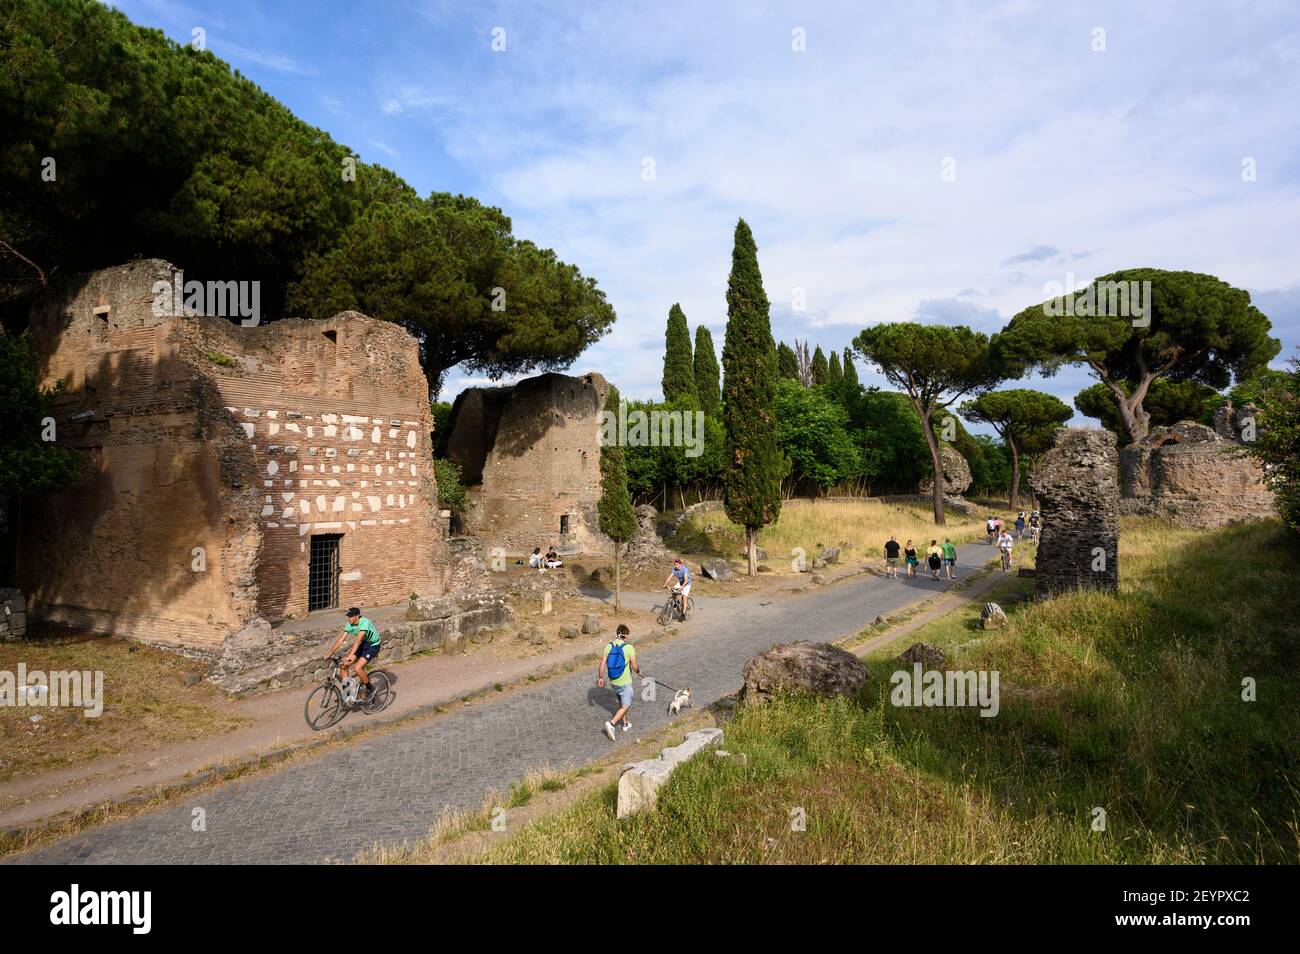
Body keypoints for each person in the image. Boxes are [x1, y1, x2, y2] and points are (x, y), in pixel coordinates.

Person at [322, 607, 381, 704]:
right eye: (348, 616)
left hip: (372, 646)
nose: (348, 618)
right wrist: (330, 652)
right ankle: (348, 694)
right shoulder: (349, 624)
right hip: (363, 645)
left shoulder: (365, 622)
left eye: (351, 616)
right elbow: (341, 639)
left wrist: (350, 656)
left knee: (358, 668)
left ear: (357, 616)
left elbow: (357, 641)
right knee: (344, 666)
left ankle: (370, 689)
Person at [597, 624, 640, 740]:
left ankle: (625, 724)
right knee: (626, 704)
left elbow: (602, 663)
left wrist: (600, 678)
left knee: (621, 700)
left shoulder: (608, 646)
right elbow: (635, 665)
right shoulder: (628, 647)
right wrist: (638, 671)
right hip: (624, 681)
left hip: (613, 681)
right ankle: (611, 724)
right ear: (625, 636)